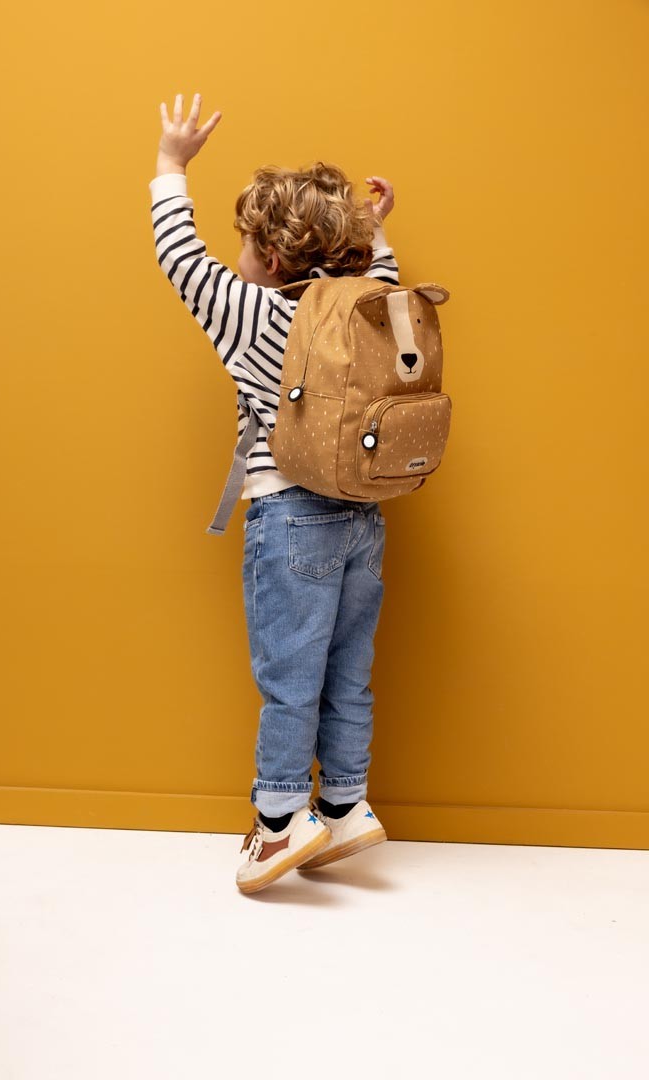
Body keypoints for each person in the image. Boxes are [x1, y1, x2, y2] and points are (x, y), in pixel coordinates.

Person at [150, 92, 396, 895]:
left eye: (247, 244)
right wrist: (376, 231)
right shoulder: (365, 312)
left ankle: (281, 821)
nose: (238, 258)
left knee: (289, 676)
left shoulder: (251, 313)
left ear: (273, 258)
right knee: (347, 671)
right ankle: (346, 806)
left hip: (291, 517)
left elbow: (180, 257)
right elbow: (386, 276)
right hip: (364, 517)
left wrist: (171, 165)